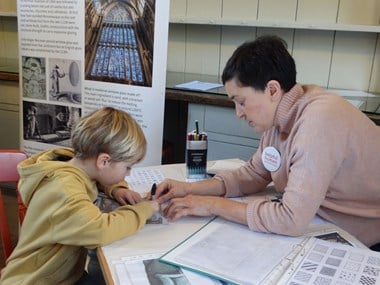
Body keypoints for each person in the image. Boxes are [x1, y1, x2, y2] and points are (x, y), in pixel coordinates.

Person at [155, 35, 380, 250]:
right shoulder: (281, 116)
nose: (238, 113)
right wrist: (189, 190)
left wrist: (211, 205)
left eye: (241, 102)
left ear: (272, 89)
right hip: (322, 218)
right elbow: (253, 175)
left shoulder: (318, 120)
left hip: (364, 237)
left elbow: (290, 220)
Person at [0, 107, 159, 284]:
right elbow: (100, 230)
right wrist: (142, 210)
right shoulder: (64, 189)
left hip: (62, 274)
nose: (128, 174)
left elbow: (97, 177)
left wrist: (116, 188)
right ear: (104, 161)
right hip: (38, 280)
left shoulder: (74, 165)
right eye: (127, 167)